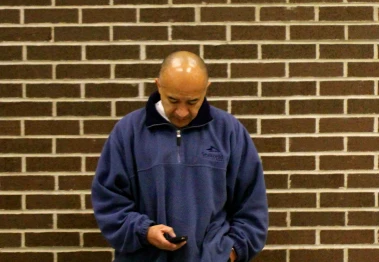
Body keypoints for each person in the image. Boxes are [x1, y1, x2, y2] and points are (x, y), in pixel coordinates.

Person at [91, 51, 268, 261]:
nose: (182, 112)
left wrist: (230, 252)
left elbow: (252, 204)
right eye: (173, 100)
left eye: (193, 102)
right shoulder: (128, 133)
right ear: (158, 85)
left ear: (206, 89)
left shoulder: (229, 132)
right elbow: (108, 200)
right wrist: (143, 231)